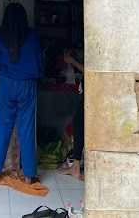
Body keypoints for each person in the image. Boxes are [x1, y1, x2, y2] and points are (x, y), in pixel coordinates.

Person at [0, 3, 42, 183]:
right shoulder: (32, 36)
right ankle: (28, 175)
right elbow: (39, 63)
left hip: (6, 84)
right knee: (26, 130)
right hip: (27, 85)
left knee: (2, 128)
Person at [59, 48, 84, 181]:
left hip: (92, 93)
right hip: (88, 92)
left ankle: (75, 168)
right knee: (78, 125)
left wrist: (72, 61)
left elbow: (89, 72)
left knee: (79, 125)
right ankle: (75, 166)